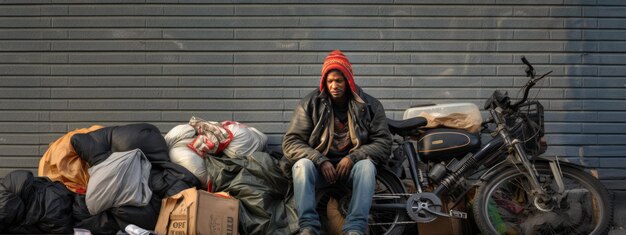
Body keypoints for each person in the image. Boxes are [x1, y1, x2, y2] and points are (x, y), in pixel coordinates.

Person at [282, 50, 392, 235]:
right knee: (302, 165)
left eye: (339, 80)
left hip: (351, 170)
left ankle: (355, 229)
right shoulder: (310, 103)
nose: (334, 86)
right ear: (324, 81)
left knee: (366, 166)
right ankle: (308, 227)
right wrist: (319, 160)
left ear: (348, 80)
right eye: (330, 81)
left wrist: (353, 157)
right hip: (320, 170)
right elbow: (291, 142)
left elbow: (383, 142)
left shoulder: (370, 105)